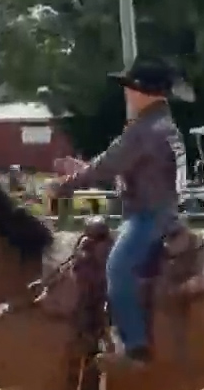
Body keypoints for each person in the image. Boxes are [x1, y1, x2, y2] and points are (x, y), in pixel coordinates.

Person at [47, 56, 191, 370]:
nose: (126, 92)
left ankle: (135, 347)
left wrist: (65, 185)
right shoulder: (156, 125)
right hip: (157, 211)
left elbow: (109, 163)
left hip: (150, 216)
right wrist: (86, 171)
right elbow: (118, 166)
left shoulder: (146, 129)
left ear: (145, 91)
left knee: (118, 269)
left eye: (130, 86)